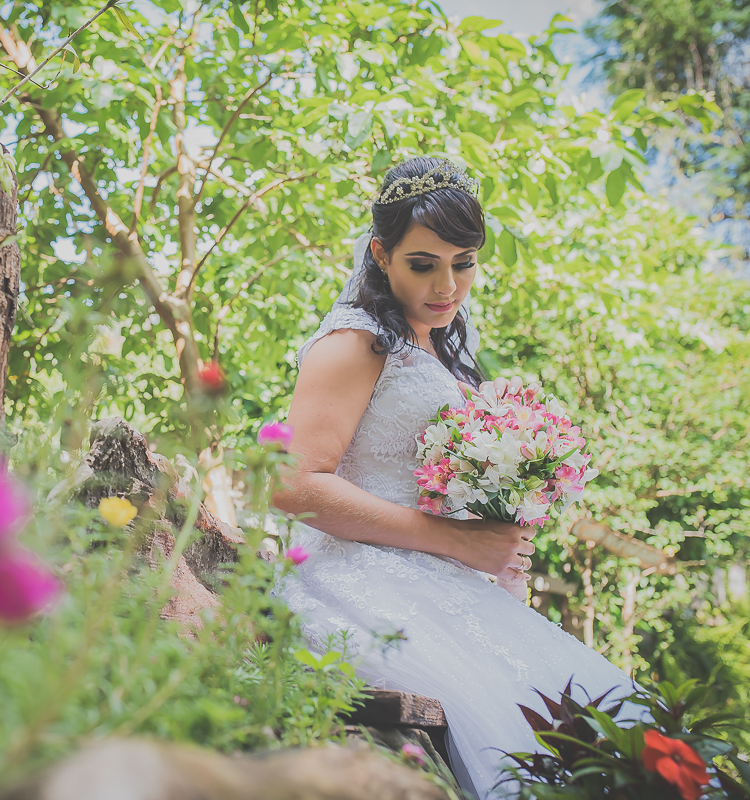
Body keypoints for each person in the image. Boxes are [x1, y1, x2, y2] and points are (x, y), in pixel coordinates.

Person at [271, 156, 640, 799]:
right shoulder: (355, 344)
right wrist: (456, 541)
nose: (447, 284)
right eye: (424, 264)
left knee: (607, 729)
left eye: (463, 262)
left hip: (451, 583)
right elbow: (291, 485)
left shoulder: (437, 349)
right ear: (381, 256)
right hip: (363, 583)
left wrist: (497, 535)